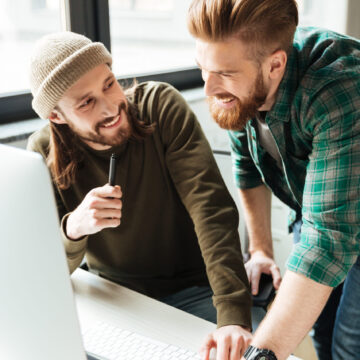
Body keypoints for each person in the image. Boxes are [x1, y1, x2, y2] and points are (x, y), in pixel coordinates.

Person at [27, 31, 254, 358]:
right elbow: (49, 267)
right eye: (87, 102)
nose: (110, 107)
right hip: (112, 296)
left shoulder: (159, 106)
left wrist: (233, 315)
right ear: (56, 116)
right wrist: (73, 228)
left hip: (195, 290)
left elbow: (211, 210)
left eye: (109, 83)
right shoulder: (43, 150)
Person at [187, 0, 360, 359]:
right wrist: (261, 250)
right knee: (323, 334)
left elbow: (326, 241)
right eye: (203, 68)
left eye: (225, 73)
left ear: (275, 64)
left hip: (341, 223)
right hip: (318, 216)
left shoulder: (339, 89)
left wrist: (260, 355)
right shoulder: (241, 90)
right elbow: (248, 165)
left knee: (350, 344)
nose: (208, 88)